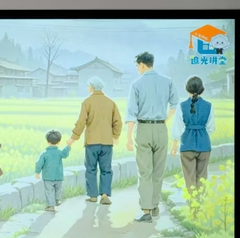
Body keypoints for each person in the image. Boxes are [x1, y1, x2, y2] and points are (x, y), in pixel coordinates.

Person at [124, 51, 179, 223]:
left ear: (142, 64)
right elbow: (175, 104)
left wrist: (128, 137)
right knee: (158, 170)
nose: (137, 69)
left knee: (144, 171)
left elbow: (131, 113)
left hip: (143, 129)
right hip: (161, 129)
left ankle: (146, 210)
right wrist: (164, 119)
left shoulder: (136, 84)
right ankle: (154, 205)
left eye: (137, 66)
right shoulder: (168, 81)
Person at [68, 76, 123, 205]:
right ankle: (104, 195)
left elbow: (81, 122)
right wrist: (115, 136)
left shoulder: (87, 102)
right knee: (106, 169)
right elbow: (118, 122)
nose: (88, 88)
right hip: (107, 142)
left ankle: (93, 195)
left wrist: (73, 137)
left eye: (88, 86)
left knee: (91, 169)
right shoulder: (111, 103)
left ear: (91, 87)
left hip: (92, 142)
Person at [170, 76, 216, 195]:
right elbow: (211, 128)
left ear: (187, 89)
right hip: (204, 145)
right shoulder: (209, 105)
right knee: (202, 176)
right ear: (202, 89)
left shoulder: (181, 106)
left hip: (187, 145)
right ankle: (201, 202)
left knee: (189, 177)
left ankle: (192, 202)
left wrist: (174, 146)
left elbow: (177, 128)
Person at [35, 130, 73, 212]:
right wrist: (68, 146)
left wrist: (37, 172)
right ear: (59, 142)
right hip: (58, 176)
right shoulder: (59, 152)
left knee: (49, 191)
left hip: (48, 177)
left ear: (47, 141)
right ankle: (57, 200)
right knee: (58, 189)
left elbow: (39, 163)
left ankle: (50, 206)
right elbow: (65, 154)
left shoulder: (44, 153)